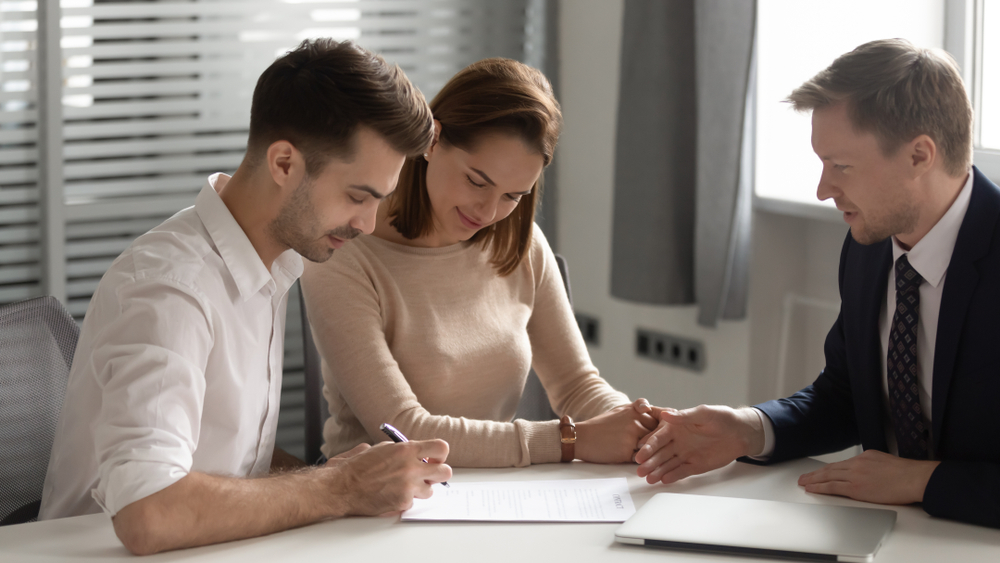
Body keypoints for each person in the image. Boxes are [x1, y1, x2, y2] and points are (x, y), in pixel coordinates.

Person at [38, 39, 452, 555]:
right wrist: (339, 488)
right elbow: (148, 513)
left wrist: (341, 478)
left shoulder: (271, 263)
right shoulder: (170, 285)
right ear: (284, 163)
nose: (367, 224)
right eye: (357, 196)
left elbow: (222, 457)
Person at [634, 38, 1000, 529]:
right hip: (884, 530)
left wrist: (921, 481)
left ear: (919, 156)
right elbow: (847, 396)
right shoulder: (869, 245)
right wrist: (750, 429)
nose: (823, 189)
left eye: (841, 166)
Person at [301, 58, 661, 468]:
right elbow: (404, 430)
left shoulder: (519, 244)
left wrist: (645, 429)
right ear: (433, 141)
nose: (488, 212)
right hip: (374, 505)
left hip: (492, 496)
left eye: (513, 196)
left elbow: (578, 387)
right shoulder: (345, 251)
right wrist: (570, 441)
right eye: (477, 181)